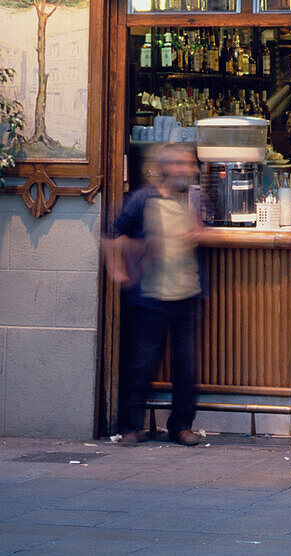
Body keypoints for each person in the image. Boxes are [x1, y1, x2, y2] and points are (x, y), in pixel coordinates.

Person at [108, 143, 205, 446]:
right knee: (142, 363)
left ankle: (181, 426)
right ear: (170, 168)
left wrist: (199, 233)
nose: (192, 170)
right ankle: (128, 426)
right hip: (150, 296)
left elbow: (200, 232)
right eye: (187, 164)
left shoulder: (193, 200)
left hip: (186, 293)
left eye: (192, 165)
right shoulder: (142, 199)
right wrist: (118, 270)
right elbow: (113, 235)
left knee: (185, 367)